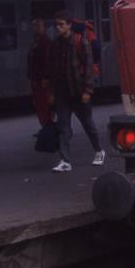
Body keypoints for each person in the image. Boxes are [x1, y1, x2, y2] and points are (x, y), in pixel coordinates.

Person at [47, 10, 105, 172]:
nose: (58, 28)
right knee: (63, 127)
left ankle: (99, 150)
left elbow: (88, 67)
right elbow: (53, 70)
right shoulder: (55, 44)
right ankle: (65, 160)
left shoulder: (81, 42)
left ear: (69, 25)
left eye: (61, 25)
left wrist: (87, 90)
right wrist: (51, 92)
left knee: (88, 124)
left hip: (79, 91)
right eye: (56, 25)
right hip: (62, 92)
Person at [27, 18, 54, 127]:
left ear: (44, 28)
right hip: (36, 79)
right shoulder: (36, 41)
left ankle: (49, 128)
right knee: (39, 105)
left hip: (42, 80)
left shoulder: (45, 42)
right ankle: (45, 127)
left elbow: (47, 61)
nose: (36, 29)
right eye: (34, 26)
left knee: (45, 106)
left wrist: (46, 77)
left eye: (39, 26)